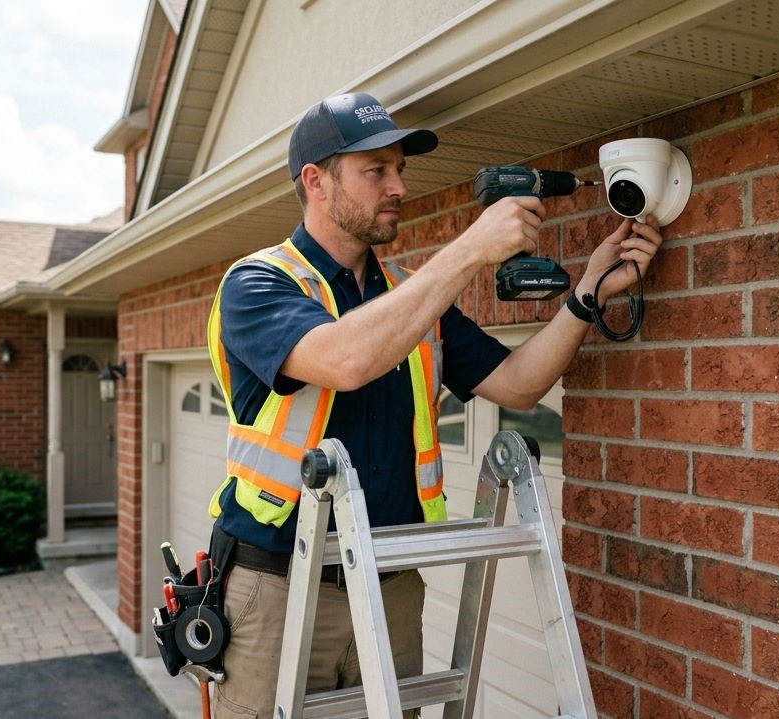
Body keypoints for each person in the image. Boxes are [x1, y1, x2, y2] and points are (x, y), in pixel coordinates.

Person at [204, 92, 663, 718]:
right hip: (278, 588)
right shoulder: (258, 283)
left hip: (388, 584)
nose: (397, 186)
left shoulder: (411, 299)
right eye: (375, 172)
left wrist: (585, 296)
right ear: (315, 181)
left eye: (400, 169)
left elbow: (519, 383)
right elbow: (345, 361)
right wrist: (471, 249)